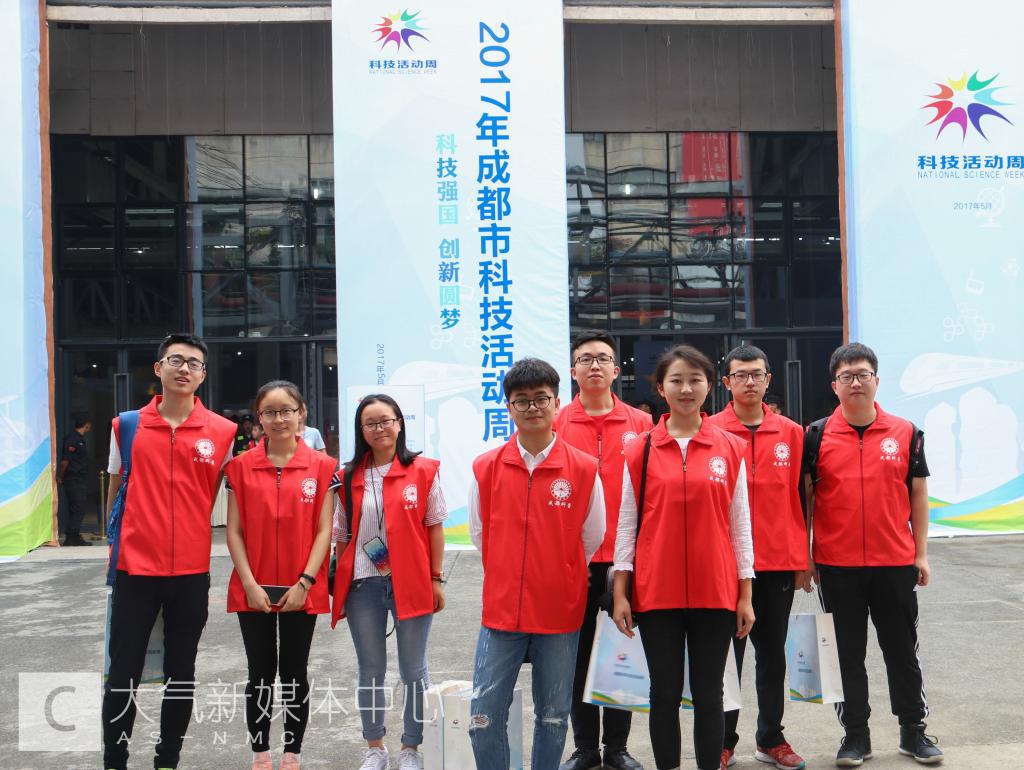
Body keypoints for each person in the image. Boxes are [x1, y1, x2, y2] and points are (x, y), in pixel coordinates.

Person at [611, 344, 755, 770]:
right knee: (664, 693)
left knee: (710, 694)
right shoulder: (640, 449)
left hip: (716, 590)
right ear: (661, 388)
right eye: (676, 380)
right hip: (657, 592)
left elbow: (740, 525)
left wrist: (745, 594)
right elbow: (626, 524)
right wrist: (621, 593)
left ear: (710, 386)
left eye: (695, 380)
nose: (686, 389)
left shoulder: (730, 447)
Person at [101, 333, 236, 770]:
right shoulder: (126, 426)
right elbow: (115, 490)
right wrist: (119, 543)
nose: (184, 369)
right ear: (158, 368)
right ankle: (115, 760)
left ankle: (167, 760)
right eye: (176, 360)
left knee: (182, 673)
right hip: (135, 569)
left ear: (203, 376)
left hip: (191, 573)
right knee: (123, 673)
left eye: (194, 363)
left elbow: (211, 495)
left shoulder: (223, 432)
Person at [803, 343, 942, 767]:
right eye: (846, 376)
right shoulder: (816, 435)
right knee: (846, 655)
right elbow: (806, 499)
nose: (856, 382)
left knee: (902, 650)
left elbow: (918, 494)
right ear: (834, 385)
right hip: (836, 566)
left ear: (877, 381)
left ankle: (913, 731)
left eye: (863, 374)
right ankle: (855, 736)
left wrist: (921, 553)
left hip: (894, 563)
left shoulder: (905, 432)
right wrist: (806, 554)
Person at [468, 357, 606, 770]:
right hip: (501, 611)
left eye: (541, 398)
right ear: (508, 407)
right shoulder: (486, 467)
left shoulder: (583, 468)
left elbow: (592, 535)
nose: (532, 407)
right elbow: (479, 533)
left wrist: (558, 570)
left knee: (552, 717)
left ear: (557, 403)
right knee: (483, 717)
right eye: (522, 400)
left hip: (559, 610)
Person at [330, 394, 447, 770]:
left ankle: (411, 748)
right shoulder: (347, 476)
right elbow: (342, 535)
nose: (379, 428)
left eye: (386, 420)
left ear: (399, 423)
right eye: (370, 423)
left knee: (413, 670)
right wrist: (341, 583)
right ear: (360, 430)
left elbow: (434, 527)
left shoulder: (423, 470)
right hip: (363, 585)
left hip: (412, 581)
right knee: (371, 669)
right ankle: (375, 748)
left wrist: (436, 578)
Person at [224, 380, 337, 770]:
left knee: (293, 671)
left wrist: (306, 581)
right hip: (252, 587)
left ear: (301, 413)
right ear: (259, 418)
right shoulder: (239, 467)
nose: (279, 419)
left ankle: (292, 751)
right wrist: (249, 584)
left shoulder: (323, 467)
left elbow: (325, 530)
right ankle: (260, 752)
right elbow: (233, 531)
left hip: (300, 587)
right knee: (259, 672)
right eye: (269, 412)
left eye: (286, 410)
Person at [708, 345, 809, 770]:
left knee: (772, 655)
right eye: (740, 375)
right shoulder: (711, 431)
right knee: (726, 658)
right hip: (726, 565)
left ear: (769, 380)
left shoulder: (792, 433)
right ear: (726, 382)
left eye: (756, 374)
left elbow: (803, 496)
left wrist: (804, 557)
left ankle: (771, 738)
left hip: (778, 562)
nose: (749, 382)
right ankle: (722, 740)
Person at [555, 332, 652, 770]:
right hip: (573, 558)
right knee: (576, 657)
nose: (594, 365)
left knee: (620, 649)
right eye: (585, 359)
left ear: (616, 370)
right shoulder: (557, 422)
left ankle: (617, 747)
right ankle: (585, 747)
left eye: (603, 359)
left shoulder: (641, 424)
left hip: (626, 559)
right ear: (573, 371)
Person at [58, 416, 93, 546]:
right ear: (87, 425)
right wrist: (61, 476)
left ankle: (73, 536)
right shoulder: (72, 439)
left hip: (79, 478)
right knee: (78, 508)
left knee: (78, 507)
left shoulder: (80, 439)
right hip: (73, 478)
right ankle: (71, 537)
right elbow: (64, 462)